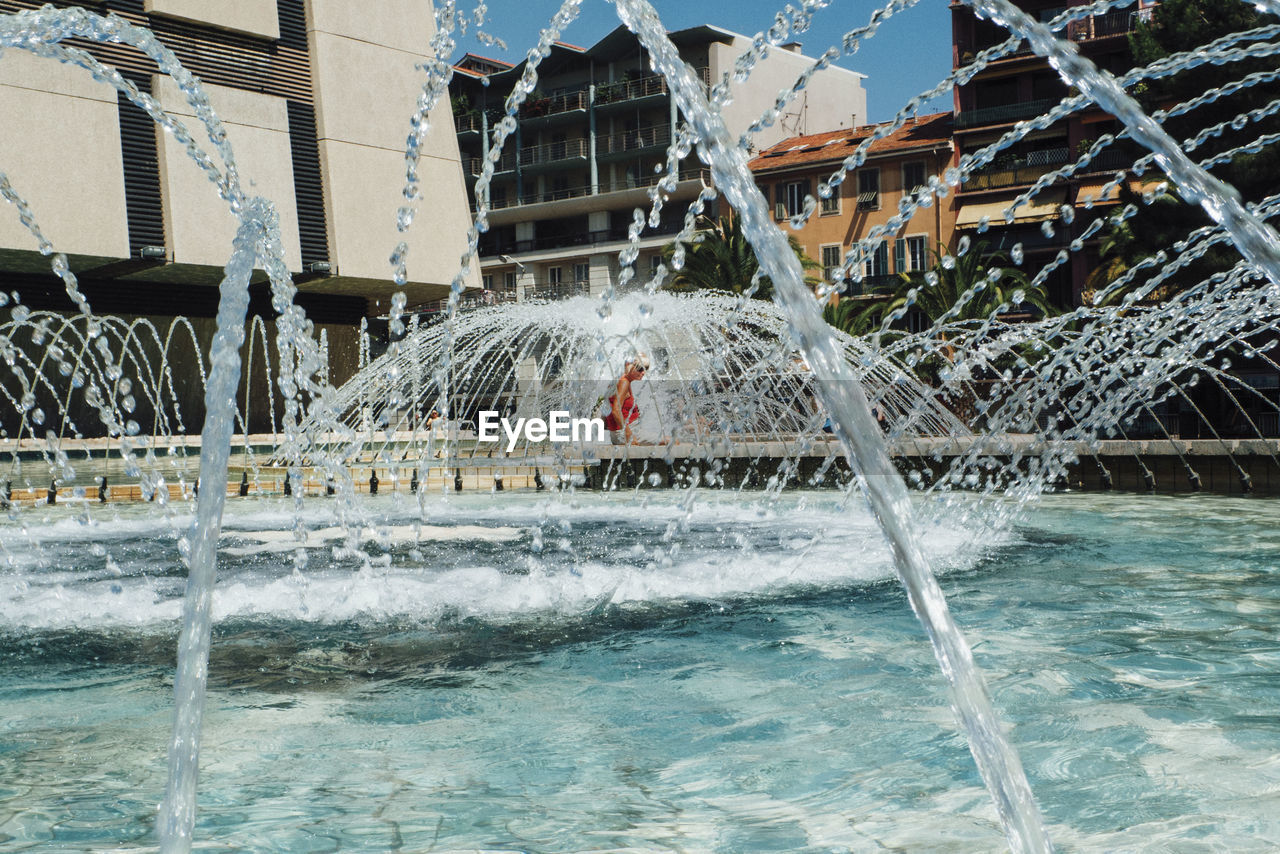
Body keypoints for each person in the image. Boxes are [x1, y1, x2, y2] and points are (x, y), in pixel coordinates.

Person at [603, 354, 649, 445]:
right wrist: (628, 434)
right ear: (629, 366)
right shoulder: (624, 382)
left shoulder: (620, 379)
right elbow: (615, 411)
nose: (643, 372)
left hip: (621, 433)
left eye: (645, 369)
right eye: (640, 369)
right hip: (627, 433)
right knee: (672, 441)